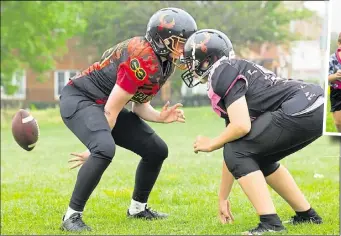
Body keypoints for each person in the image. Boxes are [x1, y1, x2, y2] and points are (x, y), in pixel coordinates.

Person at [59, 8, 197, 232]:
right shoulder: (142, 56)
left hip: (104, 104)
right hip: (81, 98)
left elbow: (139, 104)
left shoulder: (164, 61)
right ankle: (71, 217)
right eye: (180, 42)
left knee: (156, 150)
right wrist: (94, 147)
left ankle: (137, 208)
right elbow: (112, 111)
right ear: (161, 40)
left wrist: (160, 117)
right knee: (104, 149)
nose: (185, 49)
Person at [181, 29, 323, 235]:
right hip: (312, 106)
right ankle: (307, 216)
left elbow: (241, 127)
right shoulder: (228, 70)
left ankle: (271, 223)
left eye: (191, 60)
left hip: (303, 107)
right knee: (254, 154)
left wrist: (211, 143)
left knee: (238, 149)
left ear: (206, 59)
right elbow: (235, 139)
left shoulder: (221, 72)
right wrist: (222, 198)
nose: (188, 66)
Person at [328, 32, 341, 132]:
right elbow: (327, 77)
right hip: (337, 91)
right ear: (338, 44)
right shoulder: (332, 59)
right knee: (338, 122)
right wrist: (335, 76)